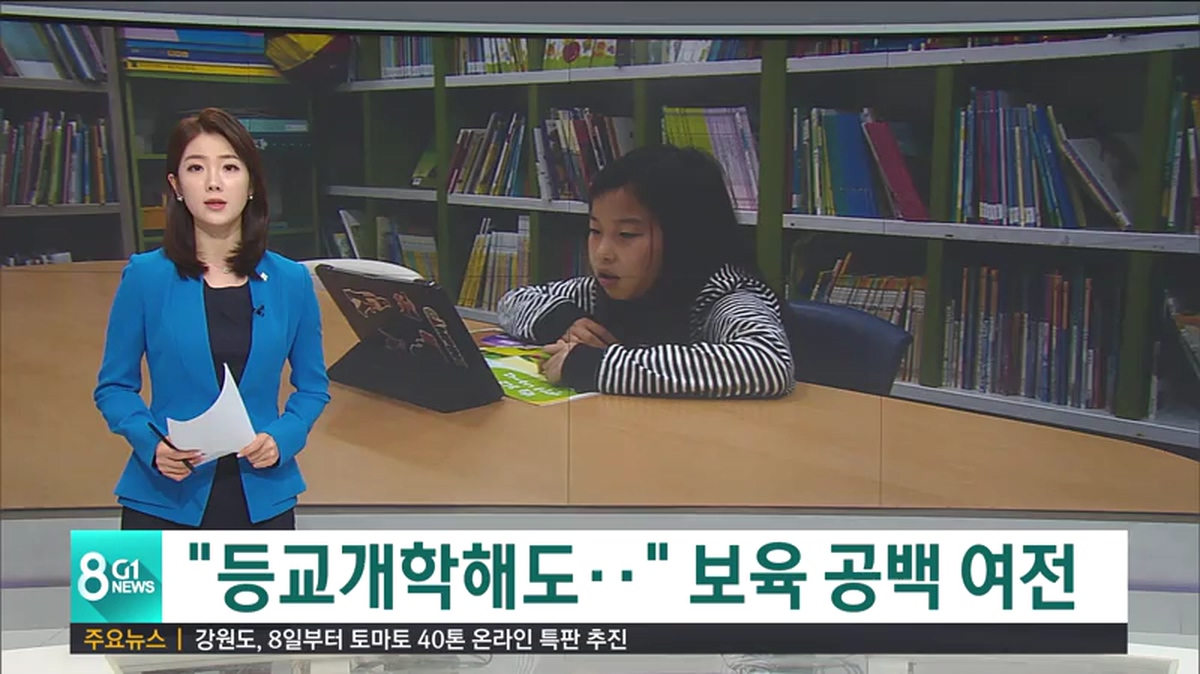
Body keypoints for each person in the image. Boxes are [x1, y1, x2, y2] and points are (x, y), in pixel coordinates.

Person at [93, 107, 330, 530]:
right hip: (164, 493)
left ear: (252, 185)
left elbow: (313, 387)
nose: (213, 182)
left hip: (261, 494)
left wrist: (283, 438)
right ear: (176, 186)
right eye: (196, 168)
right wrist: (152, 443)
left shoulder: (291, 281)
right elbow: (114, 387)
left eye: (230, 167)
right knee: (133, 582)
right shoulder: (145, 277)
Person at [496, 143, 797, 399]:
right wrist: (565, 322)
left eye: (626, 235)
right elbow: (514, 300)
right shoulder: (600, 290)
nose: (602, 253)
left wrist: (593, 365)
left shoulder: (725, 296)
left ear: (683, 239)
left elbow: (768, 362)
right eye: (595, 230)